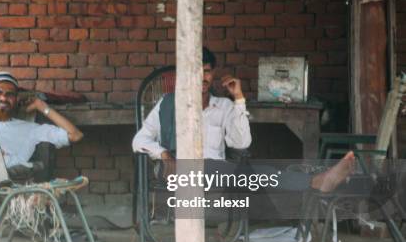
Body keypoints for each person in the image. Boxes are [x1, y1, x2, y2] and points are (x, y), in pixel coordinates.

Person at [131, 47, 356, 195]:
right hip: (177, 171)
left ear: (213, 73)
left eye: (207, 72)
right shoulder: (168, 104)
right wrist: (164, 154)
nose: (202, 78)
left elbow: (241, 144)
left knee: (260, 172)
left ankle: (317, 182)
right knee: (256, 173)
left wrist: (238, 99)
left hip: (214, 173)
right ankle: (317, 182)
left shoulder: (225, 107)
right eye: (195, 72)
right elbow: (139, 140)